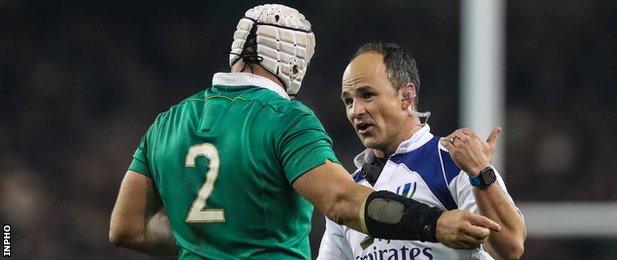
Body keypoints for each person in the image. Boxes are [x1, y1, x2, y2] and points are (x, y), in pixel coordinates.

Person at [109, 5, 502, 259]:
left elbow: (125, 228)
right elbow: (343, 203)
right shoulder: (286, 119)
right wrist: (434, 224)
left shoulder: (165, 124)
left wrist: (210, 245)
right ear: (295, 61)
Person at [318, 43, 526, 260]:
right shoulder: (349, 192)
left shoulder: (452, 162)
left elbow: (510, 249)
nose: (356, 111)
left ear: (406, 97)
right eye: (348, 101)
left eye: (367, 95)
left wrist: (481, 174)